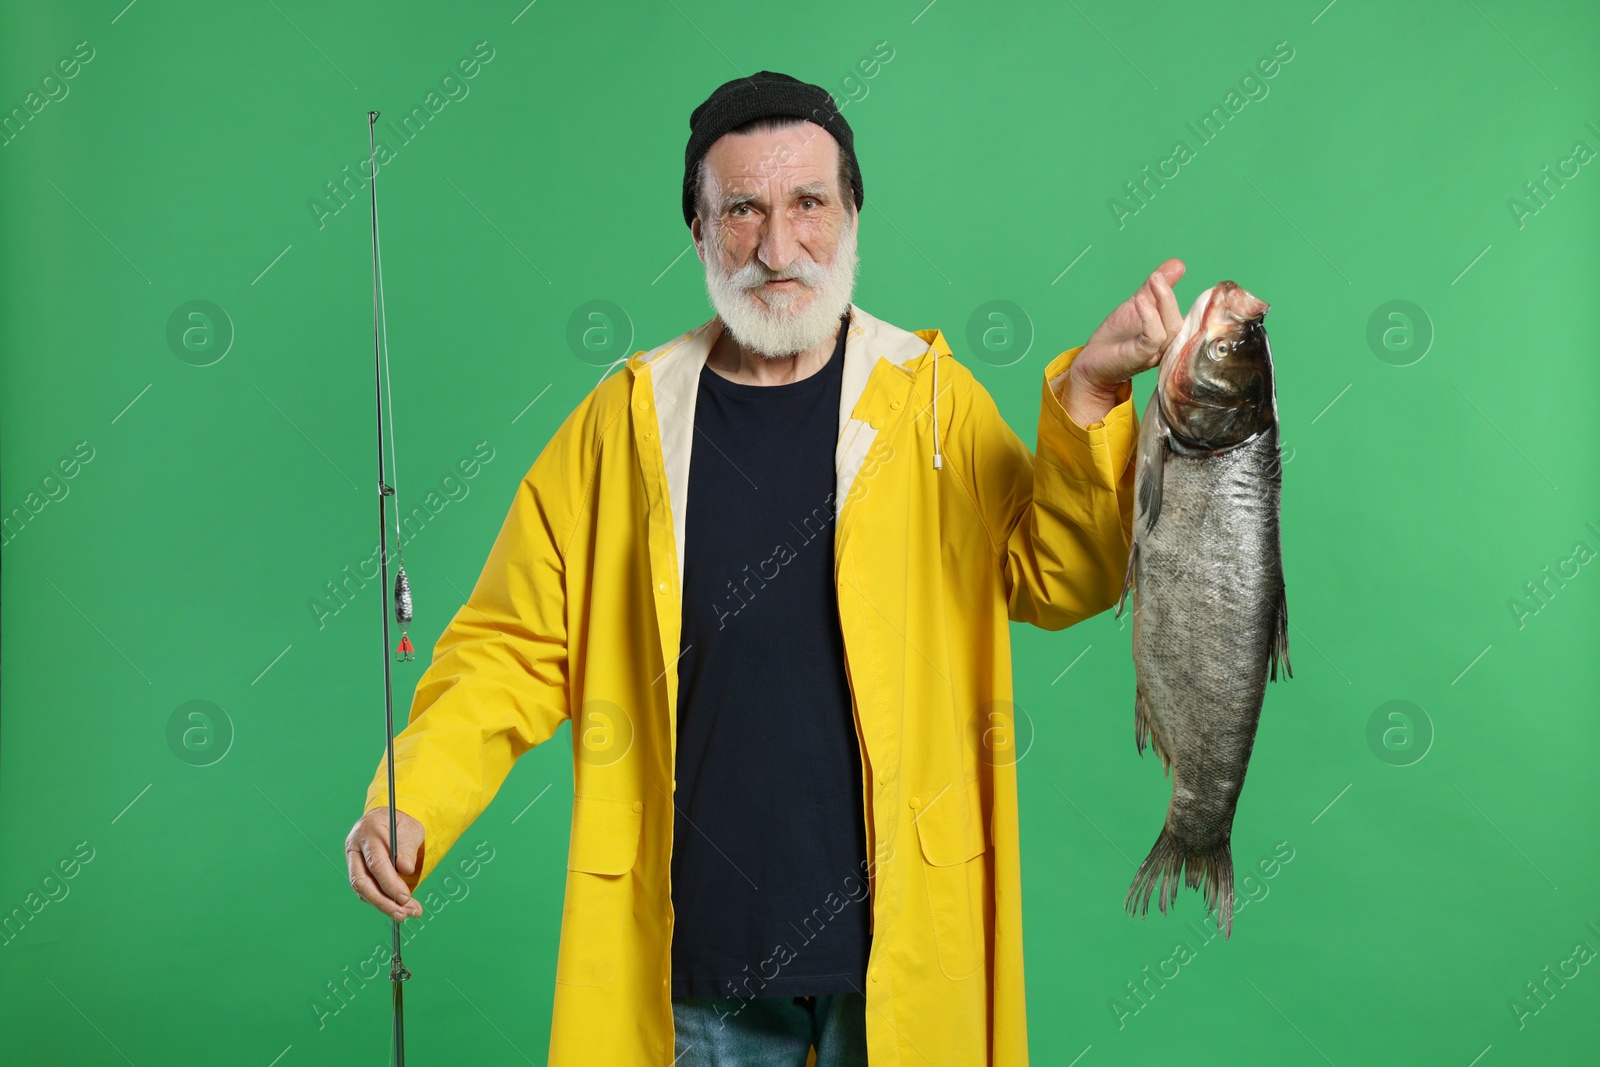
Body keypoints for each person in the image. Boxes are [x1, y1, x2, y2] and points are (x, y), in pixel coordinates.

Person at [345, 70, 1187, 1067]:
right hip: (695, 969)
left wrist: (1090, 392)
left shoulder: (928, 403)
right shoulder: (623, 425)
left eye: (807, 205)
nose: (778, 249)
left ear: (851, 215)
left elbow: (1063, 577)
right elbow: (511, 644)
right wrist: (415, 793)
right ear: (698, 229)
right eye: (741, 209)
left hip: (900, 950)